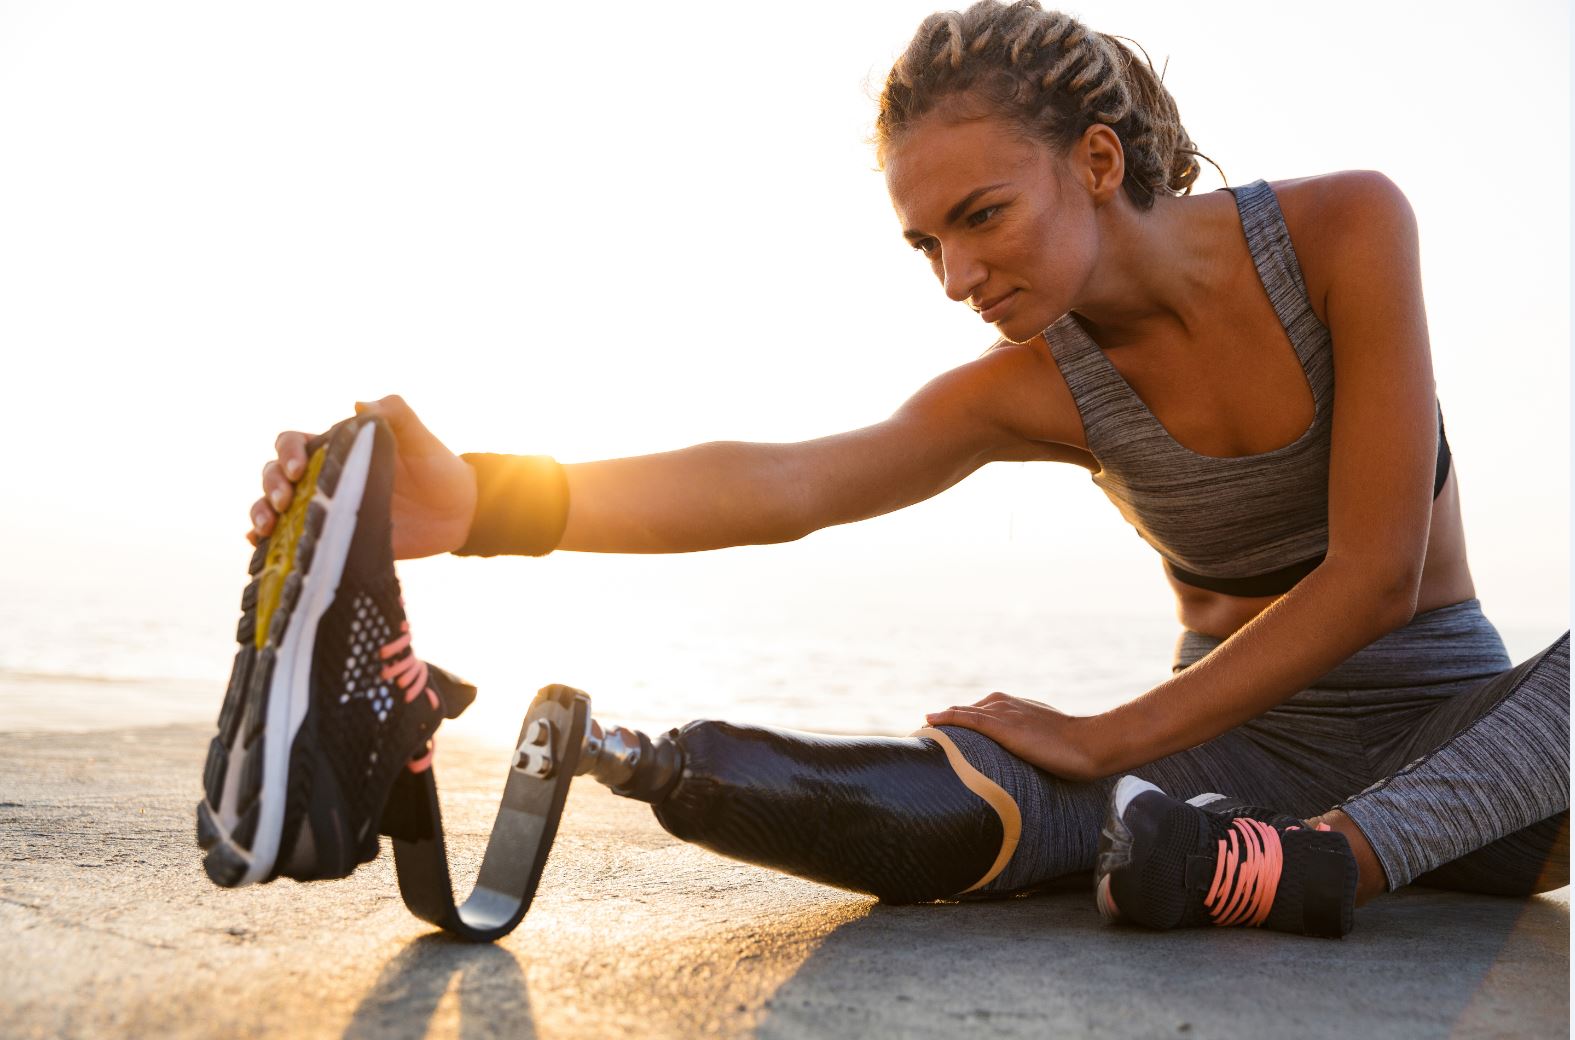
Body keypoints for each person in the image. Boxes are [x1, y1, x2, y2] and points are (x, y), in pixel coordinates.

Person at [221, 1, 1568, 935]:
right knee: (987, 792)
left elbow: (1379, 574)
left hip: (1479, 760)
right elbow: (792, 482)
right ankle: (632, 760)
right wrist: (481, 508)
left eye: (982, 218)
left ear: (1098, 162)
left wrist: (1103, 738)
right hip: (1217, 788)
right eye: (926, 244)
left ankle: (1324, 867)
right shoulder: (1032, 385)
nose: (960, 277)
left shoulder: (1345, 231)